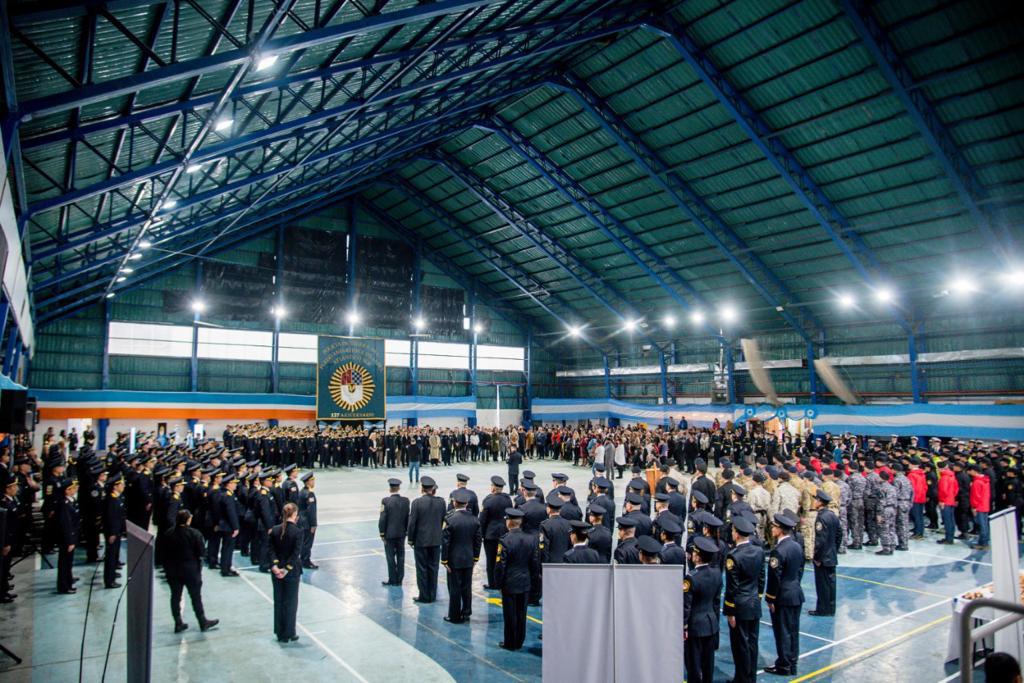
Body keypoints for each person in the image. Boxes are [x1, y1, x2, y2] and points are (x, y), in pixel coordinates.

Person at [724, 516, 764, 683]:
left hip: (740, 606)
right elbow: (762, 578)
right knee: (752, 643)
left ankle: (741, 679)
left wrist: (730, 611)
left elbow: (732, 587)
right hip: (754, 603)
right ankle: (750, 677)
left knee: (740, 646)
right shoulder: (759, 551)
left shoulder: (733, 556)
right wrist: (758, 597)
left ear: (737, 534)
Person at [165, 509, 219, 633]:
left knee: (175, 597)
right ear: (188, 520)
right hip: (191, 569)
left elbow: (164, 553)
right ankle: (202, 621)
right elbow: (201, 552)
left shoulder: (168, 533)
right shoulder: (194, 534)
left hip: (173, 570)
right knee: (195, 597)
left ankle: (178, 622)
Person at [764, 512, 804, 676]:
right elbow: (800, 570)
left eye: (774, 526)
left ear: (780, 530)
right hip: (795, 593)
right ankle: (792, 662)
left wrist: (770, 598)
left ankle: (784, 664)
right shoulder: (796, 546)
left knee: (782, 632)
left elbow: (775, 578)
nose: (772, 529)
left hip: (783, 597)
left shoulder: (778, 551)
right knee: (793, 630)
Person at [495, 508, 537, 651]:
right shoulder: (531, 539)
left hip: (509, 583)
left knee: (510, 614)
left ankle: (510, 642)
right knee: (521, 613)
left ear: (509, 522)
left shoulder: (505, 540)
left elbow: (501, 565)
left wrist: (499, 583)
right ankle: (519, 641)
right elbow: (534, 563)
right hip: (525, 582)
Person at [440, 489, 482, 624]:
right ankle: (466, 611)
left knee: (455, 588)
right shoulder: (474, 520)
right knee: (467, 586)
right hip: (469, 558)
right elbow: (477, 541)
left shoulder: (450, 520)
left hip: (454, 559)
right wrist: (476, 558)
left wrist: (444, 559)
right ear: (467, 503)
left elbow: (446, 542)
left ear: (454, 503)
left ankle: (454, 615)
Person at [684, 536, 721, 683]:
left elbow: (686, 606)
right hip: (711, 623)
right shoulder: (717, 573)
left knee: (693, 665)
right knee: (708, 665)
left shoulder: (691, 578)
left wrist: (683, 626)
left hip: (695, 626)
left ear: (697, 556)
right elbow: (716, 601)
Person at [408, 476, 445, 604]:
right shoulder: (441, 502)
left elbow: (412, 524)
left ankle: (424, 595)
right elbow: (442, 520)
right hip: (436, 540)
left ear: (422, 489)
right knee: (433, 568)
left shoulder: (416, 503)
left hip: (421, 541)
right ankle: (432, 594)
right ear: (433, 489)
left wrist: (411, 539)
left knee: (422, 568)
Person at [269, 502, 303, 643]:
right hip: (291, 572)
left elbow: (270, 550)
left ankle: (280, 632)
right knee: (291, 602)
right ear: (294, 515)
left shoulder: (275, 530)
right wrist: (287, 569)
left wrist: (275, 566)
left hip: (276, 571)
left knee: (279, 601)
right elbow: (296, 554)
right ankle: (289, 632)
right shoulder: (298, 532)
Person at [810, 489, 841, 617]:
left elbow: (820, 541)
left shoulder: (821, 517)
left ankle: (822, 609)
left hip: (823, 558)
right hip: (831, 555)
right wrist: (834, 548)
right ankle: (830, 608)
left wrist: (817, 557)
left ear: (819, 502)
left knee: (822, 585)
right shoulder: (832, 515)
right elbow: (839, 534)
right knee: (831, 584)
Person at [479, 475, 512, 589]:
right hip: (504, 533)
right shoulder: (507, 499)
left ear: (493, 487)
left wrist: (481, 535)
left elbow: (482, 520)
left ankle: (493, 583)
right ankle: (503, 580)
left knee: (491, 560)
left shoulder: (488, 500)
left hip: (491, 535)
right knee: (503, 558)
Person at [379, 478, 410, 586]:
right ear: (399, 488)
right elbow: (408, 518)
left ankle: (392, 579)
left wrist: (382, 533)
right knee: (401, 556)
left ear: (390, 488)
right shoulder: (406, 501)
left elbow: (383, 518)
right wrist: (406, 531)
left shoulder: (385, 501)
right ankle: (399, 579)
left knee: (390, 557)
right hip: (401, 533)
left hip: (389, 534)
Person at [103, 474, 126, 589]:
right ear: (115, 486)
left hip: (117, 531)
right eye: (121, 484)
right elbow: (111, 518)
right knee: (111, 556)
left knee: (114, 554)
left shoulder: (117, 497)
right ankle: (109, 580)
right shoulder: (111, 500)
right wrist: (112, 533)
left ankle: (112, 574)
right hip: (113, 532)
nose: (123, 486)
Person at [57, 479, 80, 594]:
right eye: (73, 488)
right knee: (64, 563)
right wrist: (70, 540)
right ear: (67, 490)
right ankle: (64, 585)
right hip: (67, 538)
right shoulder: (64, 504)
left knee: (69, 562)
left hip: (72, 536)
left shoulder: (71, 501)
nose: (76, 489)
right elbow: (66, 524)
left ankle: (68, 581)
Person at [217, 474, 241, 576]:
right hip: (228, 526)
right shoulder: (228, 496)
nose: (235, 485)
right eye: (234, 483)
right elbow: (231, 513)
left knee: (226, 548)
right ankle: (226, 569)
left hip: (224, 525)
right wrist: (236, 527)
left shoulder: (224, 494)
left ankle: (225, 567)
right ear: (229, 484)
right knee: (228, 549)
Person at [297, 472, 318, 569]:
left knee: (303, 542)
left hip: (301, 520)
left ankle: (303, 559)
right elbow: (311, 511)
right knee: (307, 543)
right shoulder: (309, 494)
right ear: (308, 482)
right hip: (307, 522)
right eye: (312, 480)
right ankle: (306, 561)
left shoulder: (301, 492)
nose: (314, 482)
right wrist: (313, 524)